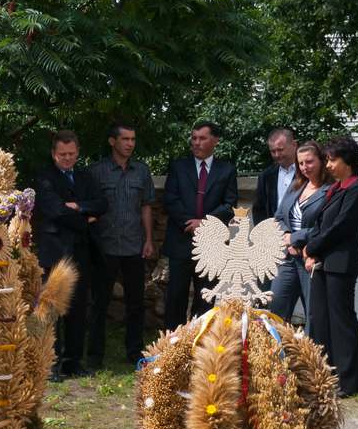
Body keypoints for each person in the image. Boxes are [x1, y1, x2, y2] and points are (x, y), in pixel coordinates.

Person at [33, 130, 109, 378]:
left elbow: (102, 204)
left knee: (78, 308)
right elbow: (54, 209)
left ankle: (73, 362)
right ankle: (52, 364)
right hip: (54, 251)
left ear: (77, 153)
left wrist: (79, 207)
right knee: (53, 307)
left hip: (81, 251)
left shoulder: (86, 177)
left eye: (71, 154)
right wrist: (86, 218)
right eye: (62, 154)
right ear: (54, 154)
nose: (67, 158)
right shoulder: (44, 177)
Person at [303, 135, 358, 397]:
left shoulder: (357, 190)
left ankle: (349, 382)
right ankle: (324, 377)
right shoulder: (335, 189)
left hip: (341, 264)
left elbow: (340, 227)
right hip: (322, 263)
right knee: (320, 320)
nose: (327, 165)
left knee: (341, 321)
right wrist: (311, 251)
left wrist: (313, 247)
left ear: (347, 161)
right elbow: (321, 223)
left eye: (332, 159)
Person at [86, 122, 156, 370]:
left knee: (136, 303)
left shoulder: (142, 171)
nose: (130, 144)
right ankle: (94, 356)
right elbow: (89, 207)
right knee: (99, 303)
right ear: (112, 141)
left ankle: (134, 352)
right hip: (104, 246)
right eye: (125, 139)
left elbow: (147, 205)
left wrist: (148, 239)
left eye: (133, 139)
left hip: (134, 245)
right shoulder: (96, 171)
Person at [162, 121, 239, 329]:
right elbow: (170, 198)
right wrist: (188, 222)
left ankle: (201, 343)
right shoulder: (179, 166)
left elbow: (229, 204)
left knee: (205, 298)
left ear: (215, 140)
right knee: (175, 296)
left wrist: (203, 223)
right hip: (181, 239)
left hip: (211, 244)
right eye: (194, 138)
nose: (196, 142)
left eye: (202, 138)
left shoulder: (227, 170)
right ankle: (172, 344)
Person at [268, 141, 330, 324]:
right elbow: (278, 217)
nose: (304, 167)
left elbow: (326, 226)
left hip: (312, 258)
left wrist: (295, 238)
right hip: (288, 258)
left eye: (309, 162)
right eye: (301, 163)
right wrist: (287, 237)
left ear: (321, 161)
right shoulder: (297, 185)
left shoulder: (330, 190)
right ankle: (276, 351)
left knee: (313, 314)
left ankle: (313, 351)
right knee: (276, 309)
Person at [253, 128, 298, 226]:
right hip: (273, 235)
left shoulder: (307, 173)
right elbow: (258, 210)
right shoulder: (266, 176)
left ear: (294, 145)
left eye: (280, 150)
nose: (277, 155)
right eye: (273, 151)